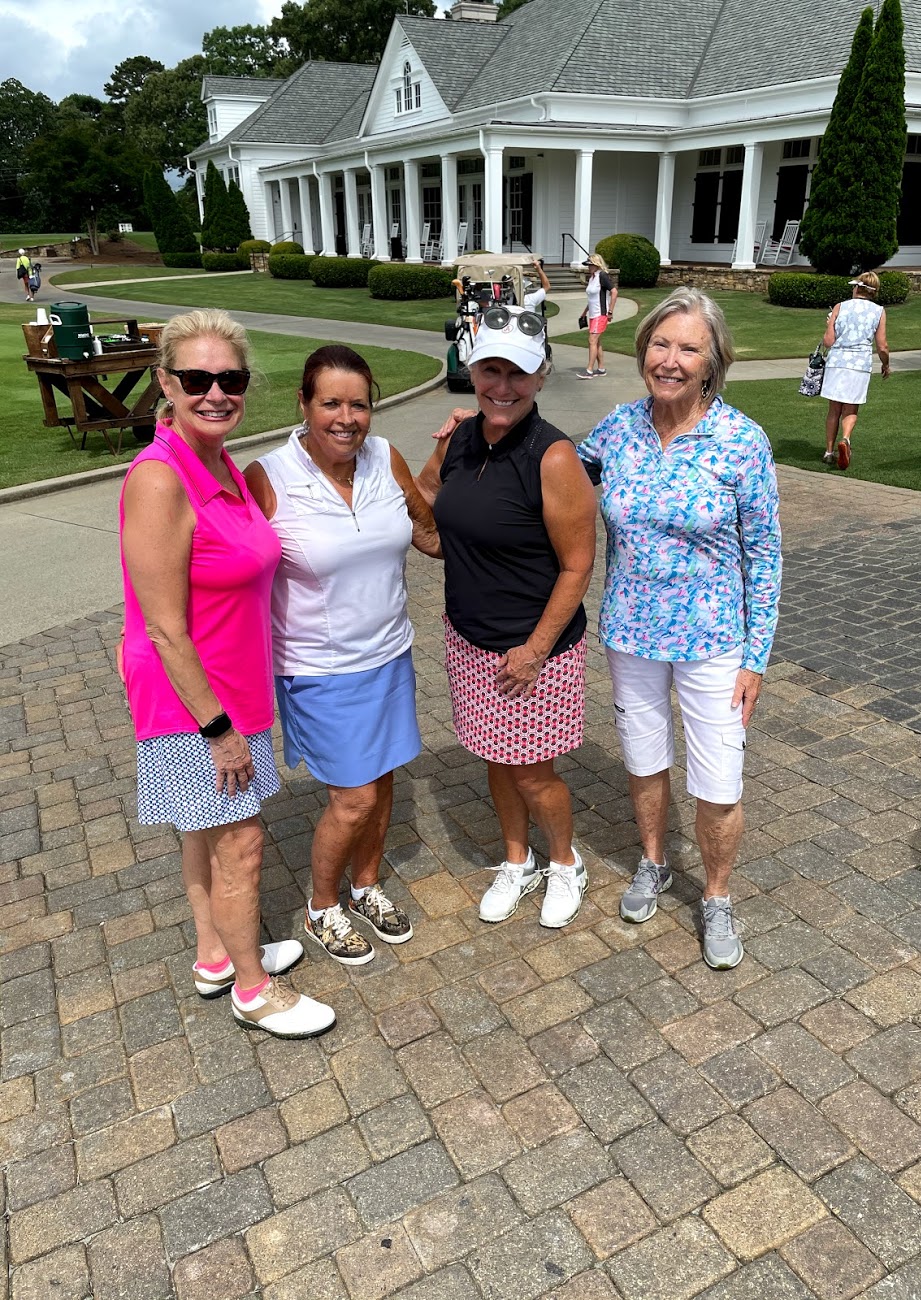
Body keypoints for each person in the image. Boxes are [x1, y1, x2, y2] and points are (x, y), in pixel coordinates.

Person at [119, 308, 335, 1040]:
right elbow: (162, 626)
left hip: (233, 688)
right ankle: (253, 987)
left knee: (203, 830)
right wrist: (217, 729)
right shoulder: (159, 478)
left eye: (230, 378)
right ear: (165, 384)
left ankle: (217, 954)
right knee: (239, 841)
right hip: (192, 702)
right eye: (197, 378)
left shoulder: (219, 464)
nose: (215, 392)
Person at [577, 287, 781, 969]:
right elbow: (555, 475)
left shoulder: (740, 440)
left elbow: (765, 554)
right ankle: (653, 861)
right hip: (630, 632)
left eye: (687, 348)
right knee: (643, 759)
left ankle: (717, 897)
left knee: (718, 781)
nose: (669, 359)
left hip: (713, 641)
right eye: (660, 344)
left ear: (710, 361)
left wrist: (755, 656)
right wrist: (484, 429)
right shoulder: (616, 428)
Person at [244, 346, 440, 967]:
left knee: (381, 782)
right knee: (351, 798)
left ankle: (367, 885)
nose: (346, 418)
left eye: (359, 404)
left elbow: (427, 531)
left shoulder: (386, 459)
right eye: (330, 402)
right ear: (303, 404)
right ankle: (322, 904)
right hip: (318, 669)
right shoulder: (268, 477)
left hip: (389, 655)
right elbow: (229, 564)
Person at [418, 306, 597, 930]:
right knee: (496, 759)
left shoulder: (553, 457)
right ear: (471, 368)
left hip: (533, 648)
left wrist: (535, 649)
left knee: (534, 771)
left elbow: (578, 566)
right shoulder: (463, 437)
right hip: (470, 638)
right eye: (490, 369)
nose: (502, 386)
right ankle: (516, 861)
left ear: (542, 376)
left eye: (518, 373)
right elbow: (428, 513)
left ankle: (565, 862)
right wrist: (428, 455)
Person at [821, 272, 890, 470]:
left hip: (836, 363)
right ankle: (845, 439)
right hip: (859, 365)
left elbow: (828, 342)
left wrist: (829, 326)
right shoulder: (878, 311)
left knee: (834, 409)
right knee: (850, 409)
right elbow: (882, 345)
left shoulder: (840, 307)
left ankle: (828, 451)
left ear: (857, 288)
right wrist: (885, 364)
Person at [578, 253, 617, 380]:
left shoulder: (602, 276)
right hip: (593, 314)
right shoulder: (592, 278)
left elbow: (614, 291)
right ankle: (601, 368)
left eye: (590, 265)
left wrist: (610, 311)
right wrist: (585, 312)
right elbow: (592, 299)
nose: (588, 267)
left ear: (596, 265)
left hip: (601, 313)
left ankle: (589, 370)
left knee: (592, 340)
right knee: (597, 341)